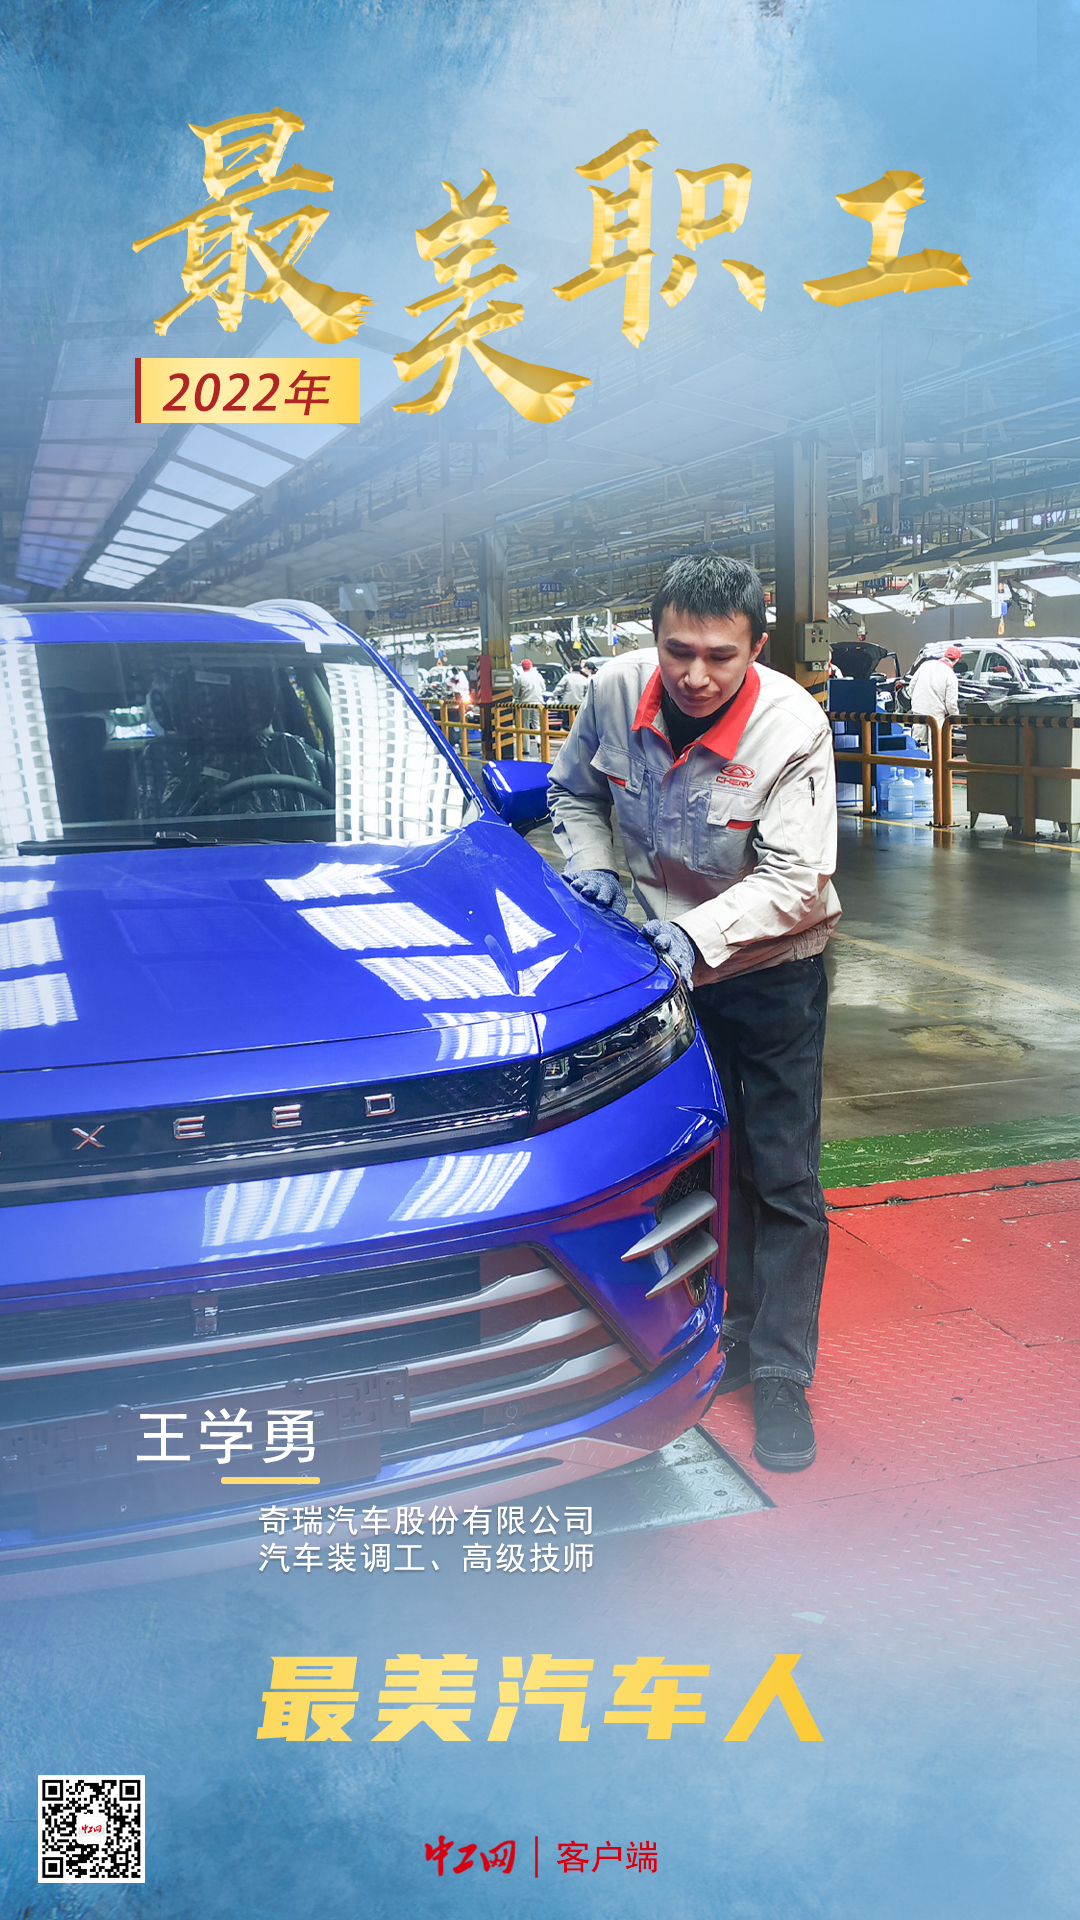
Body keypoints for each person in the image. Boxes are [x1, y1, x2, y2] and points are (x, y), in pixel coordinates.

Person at [547, 555, 840, 1472]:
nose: (696, 676)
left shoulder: (792, 725)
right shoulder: (613, 691)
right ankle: (721, 1330)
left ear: (758, 646)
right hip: (660, 972)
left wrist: (694, 933)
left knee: (780, 1172)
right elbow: (573, 792)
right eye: (678, 651)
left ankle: (781, 1367)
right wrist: (592, 863)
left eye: (721, 655)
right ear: (654, 639)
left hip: (773, 969)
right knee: (693, 1161)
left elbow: (797, 879)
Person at [907, 644, 962, 745]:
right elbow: (951, 703)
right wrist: (957, 720)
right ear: (957, 660)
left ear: (944, 655)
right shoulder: (950, 675)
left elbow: (911, 688)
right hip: (936, 715)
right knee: (936, 746)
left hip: (919, 710)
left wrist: (916, 702)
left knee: (918, 744)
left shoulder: (925, 665)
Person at [513, 656, 547, 758]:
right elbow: (543, 689)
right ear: (531, 666)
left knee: (525, 726)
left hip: (525, 704)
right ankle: (539, 743)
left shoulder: (520, 678)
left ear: (522, 667)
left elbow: (516, 693)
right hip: (538, 703)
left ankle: (526, 749)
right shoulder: (538, 676)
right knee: (537, 724)